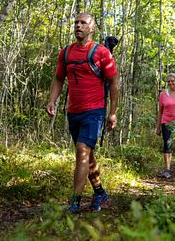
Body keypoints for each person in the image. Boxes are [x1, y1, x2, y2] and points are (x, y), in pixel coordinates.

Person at [46, 13, 119, 213]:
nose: (78, 26)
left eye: (83, 23)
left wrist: (113, 112)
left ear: (92, 28)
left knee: (82, 151)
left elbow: (113, 83)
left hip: (94, 111)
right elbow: (59, 79)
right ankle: (100, 192)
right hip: (73, 112)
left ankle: (75, 203)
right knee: (88, 155)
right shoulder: (66, 53)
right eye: (76, 22)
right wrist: (52, 100)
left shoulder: (102, 53)